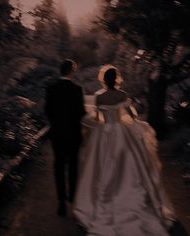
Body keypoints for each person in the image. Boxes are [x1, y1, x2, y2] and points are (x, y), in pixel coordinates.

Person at [73, 67, 176, 235]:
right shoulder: (123, 95)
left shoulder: (99, 96)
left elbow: (98, 117)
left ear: (104, 79)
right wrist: (133, 124)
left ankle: (105, 199)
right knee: (129, 165)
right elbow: (130, 115)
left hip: (104, 133)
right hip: (122, 132)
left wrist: (97, 123)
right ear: (116, 79)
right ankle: (130, 198)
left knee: (103, 167)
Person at [45, 59, 85, 216]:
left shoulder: (51, 88)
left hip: (57, 133)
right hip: (73, 133)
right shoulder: (77, 89)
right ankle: (72, 197)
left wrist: (57, 123)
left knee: (59, 166)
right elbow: (81, 112)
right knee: (73, 165)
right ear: (71, 71)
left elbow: (47, 110)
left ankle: (61, 201)